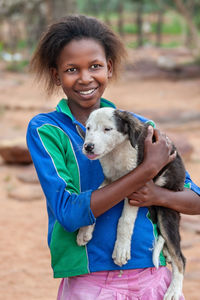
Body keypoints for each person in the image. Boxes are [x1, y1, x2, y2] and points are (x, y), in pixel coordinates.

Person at [27, 15, 200, 300]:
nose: (85, 77)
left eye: (95, 66)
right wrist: (148, 170)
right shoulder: (47, 130)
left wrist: (155, 194)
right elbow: (69, 213)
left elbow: (193, 200)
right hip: (89, 280)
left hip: (152, 275)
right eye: (72, 69)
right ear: (57, 75)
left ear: (108, 68)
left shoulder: (139, 127)